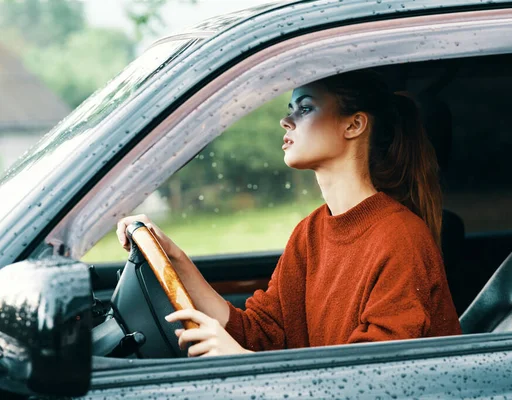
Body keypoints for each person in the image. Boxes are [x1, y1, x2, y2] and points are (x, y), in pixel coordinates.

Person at [116, 69, 461, 357]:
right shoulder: (310, 232)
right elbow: (261, 332)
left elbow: (371, 375)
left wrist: (242, 361)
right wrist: (174, 258)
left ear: (354, 125)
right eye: (290, 108)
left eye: (305, 108)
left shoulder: (401, 237)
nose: (285, 120)